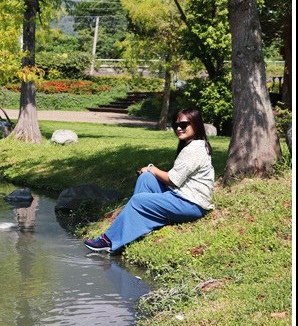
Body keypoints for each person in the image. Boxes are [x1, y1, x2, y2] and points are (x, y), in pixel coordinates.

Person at [84, 107, 215, 253]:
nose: (179, 128)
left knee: (138, 200)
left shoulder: (194, 149)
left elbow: (173, 180)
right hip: (181, 196)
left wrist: (151, 168)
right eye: (175, 125)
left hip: (191, 204)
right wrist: (149, 172)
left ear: (196, 125)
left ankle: (108, 241)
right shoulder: (192, 145)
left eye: (183, 125)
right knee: (146, 178)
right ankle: (138, 224)